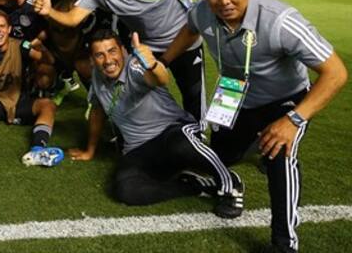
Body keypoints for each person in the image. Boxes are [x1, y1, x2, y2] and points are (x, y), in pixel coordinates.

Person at [161, 0, 347, 253]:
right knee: (219, 155)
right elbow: (190, 30)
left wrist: (293, 120)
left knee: (279, 154)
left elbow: (336, 73)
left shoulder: (281, 20)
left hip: (284, 100)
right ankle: (248, 150)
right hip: (233, 90)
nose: (223, 1)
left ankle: (284, 243)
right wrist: (164, 60)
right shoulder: (201, 11)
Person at [69, 29, 244, 218]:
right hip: (138, 148)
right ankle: (192, 186)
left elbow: (160, 78)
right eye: (99, 55)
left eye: (112, 51)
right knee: (126, 190)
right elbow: (97, 111)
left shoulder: (135, 66)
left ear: (122, 51)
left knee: (181, 143)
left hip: (171, 131)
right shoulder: (97, 76)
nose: (108, 60)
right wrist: (90, 150)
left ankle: (230, 182)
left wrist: (152, 63)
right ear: (93, 59)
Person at [33, 0, 207, 122]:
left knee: (193, 94)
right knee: (134, 94)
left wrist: (211, 18)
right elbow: (72, 18)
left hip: (185, 41)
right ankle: (144, 136)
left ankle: (198, 136)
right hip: (148, 49)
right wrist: (50, 12)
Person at [0, 9, 63, 167]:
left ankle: (37, 150)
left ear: (9, 29)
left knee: (48, 105)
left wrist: (42, 49)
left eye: (2, 26)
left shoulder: (21, 46)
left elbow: (47, 62)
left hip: (18, 101)